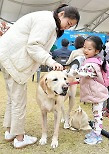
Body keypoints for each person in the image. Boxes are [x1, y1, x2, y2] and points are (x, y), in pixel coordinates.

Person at [0, 4, 80, 148]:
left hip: (8, 57)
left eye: (70, 26)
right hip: (14, 59)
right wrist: (50, 61)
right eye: (68, 23)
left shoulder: (46, 19)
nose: (67, 28)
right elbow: (33, 46)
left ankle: (10, 131)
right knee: (18, 101)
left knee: (13, 99)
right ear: (61, 14)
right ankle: (19, 138)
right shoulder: (47, 21)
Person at [76, 36, 109, 145]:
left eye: (89, 49)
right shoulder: (94, 61)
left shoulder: (91, 64)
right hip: (96, 93)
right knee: (96, 113)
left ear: (97, 51)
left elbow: (81, 72)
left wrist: (70, 73)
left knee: (97, 114)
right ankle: (95, 131)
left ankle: (97, 134)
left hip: (97, 93)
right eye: (84, 47)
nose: (85, 50)